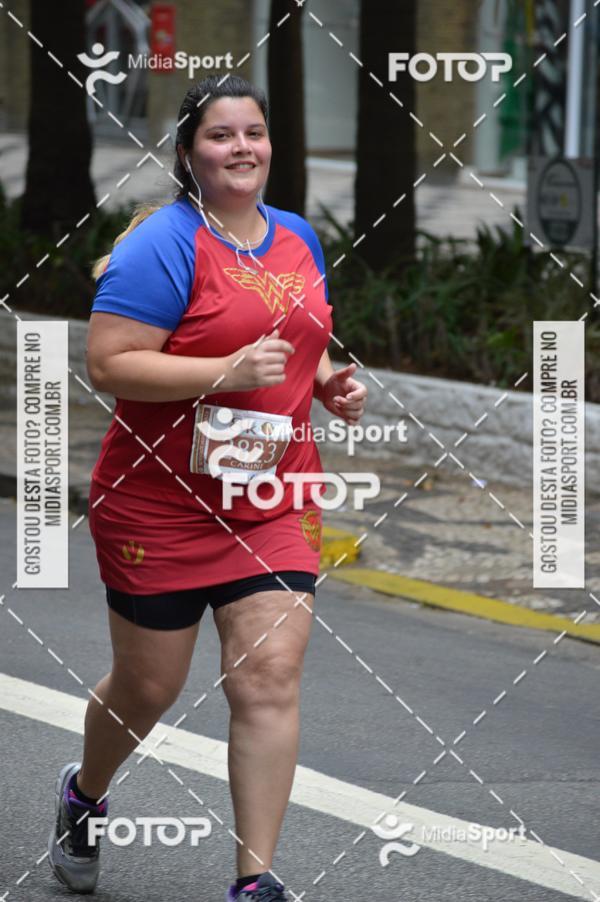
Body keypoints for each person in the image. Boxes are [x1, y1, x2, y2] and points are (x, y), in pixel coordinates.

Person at [48, 74, 367, 900]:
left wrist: (330, 378)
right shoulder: (162, 243)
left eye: (253, 133)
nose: (242, 149)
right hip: (158, 502)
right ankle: (85, 794)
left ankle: (253, 885)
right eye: (222, 136)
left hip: (272, 496)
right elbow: (108, 363)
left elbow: (305, 339)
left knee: (267, 677)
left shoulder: (296, 238)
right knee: (147, 689)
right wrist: (221, 372)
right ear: (190, 153)